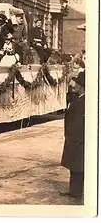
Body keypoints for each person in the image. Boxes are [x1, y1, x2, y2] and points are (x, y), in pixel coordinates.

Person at [60, 71, 85, 200]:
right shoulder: (78, 98)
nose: (74, 85)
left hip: (77, 139)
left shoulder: (83, 101)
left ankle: (76, 192)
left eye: (76, 84)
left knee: (78, 167)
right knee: (75, 166)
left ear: (81, 86)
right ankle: (74, 190)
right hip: (74, 138)